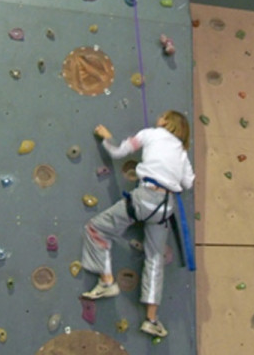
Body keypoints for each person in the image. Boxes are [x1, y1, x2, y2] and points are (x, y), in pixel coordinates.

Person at [79, 111, 195, 338]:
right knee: (154, 260)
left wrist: (106, 137)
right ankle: (151, 319)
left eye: (161, 117)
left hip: (144, 198)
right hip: (164, 207)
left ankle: (106, 280)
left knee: (95, 228)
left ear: (166, 122)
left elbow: (118, 151)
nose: (157, 118)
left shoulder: (150, 134)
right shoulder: (181, 151)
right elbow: (189, 182)